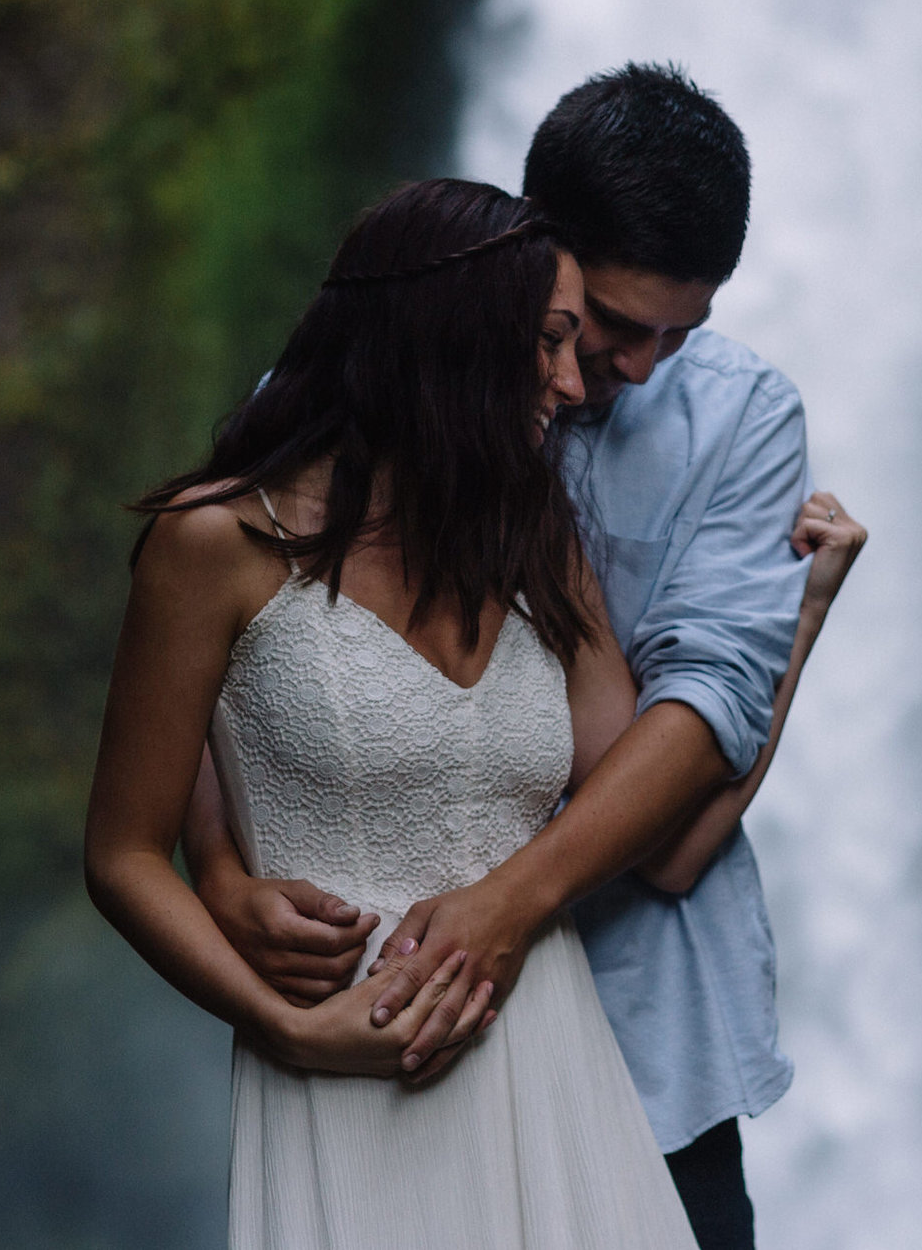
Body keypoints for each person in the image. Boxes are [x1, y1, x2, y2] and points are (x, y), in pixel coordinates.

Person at [190, 66, 863, 1250]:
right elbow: (214, 668)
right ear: (531, 249)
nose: (641, 365)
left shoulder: (744, 416)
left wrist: (509, 902)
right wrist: (219, 868)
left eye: (680, 331)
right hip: (389, 1053)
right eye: (611, 324)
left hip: (649, 1053)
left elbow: (701, 717)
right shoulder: (340, 403)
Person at [86, 179, 701, 1248]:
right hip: (342, 1068)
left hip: (552, 1057)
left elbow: (642, 787)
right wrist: (283, 1022)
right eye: (548, 342)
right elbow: (121, 852)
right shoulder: (212, 542)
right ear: (449, 336)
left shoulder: (531, 530)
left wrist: (801, 618)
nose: (571, 380)